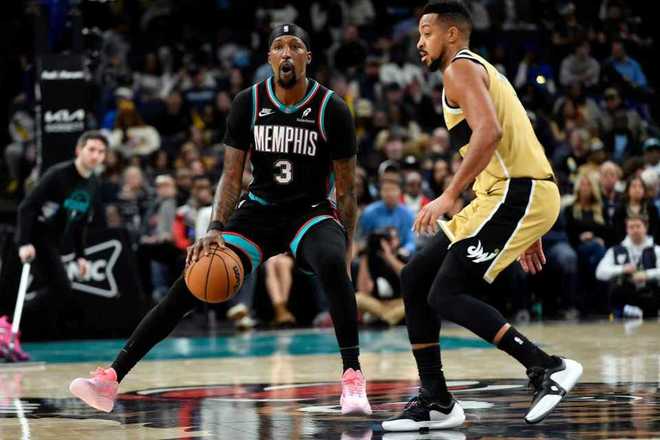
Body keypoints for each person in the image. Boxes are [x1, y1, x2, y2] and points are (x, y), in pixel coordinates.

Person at [69, 24, 371, 416]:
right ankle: (110, 378)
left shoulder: (332, 108)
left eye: (295, 46)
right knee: (192, 280)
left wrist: (347, 245)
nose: (286, 53)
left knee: (332, 263)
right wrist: (214, 228)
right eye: (278, 46)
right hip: (260, 208)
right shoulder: (249, 102)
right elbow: (230, 176)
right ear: (269, 58)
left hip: (310, 211)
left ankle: (352, 377)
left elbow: (346, 190)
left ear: (307, 58)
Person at [382, 1, 582, 432]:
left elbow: (491, 132)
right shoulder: (476, 70)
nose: (419, 42)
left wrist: (448, 195)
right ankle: (437, 400)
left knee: (446, 292)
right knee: (416, 276)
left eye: (427, 33)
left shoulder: (460, 68)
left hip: (517, 192)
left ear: (452, 34)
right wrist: (528, 226)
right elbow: (517, 137)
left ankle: (547, 366)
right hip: (506, 194)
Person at [9, 131, 107, 345]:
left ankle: (23, 333)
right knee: (60, 288)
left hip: (54, 241)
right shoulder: (58, 174)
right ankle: (8, 326)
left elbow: (80, 221)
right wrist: (24, 242)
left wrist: (81, 256)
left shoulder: (92, 183)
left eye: (101, 152)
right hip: (35, 236)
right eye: (91, 149)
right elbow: (27, 207)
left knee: (56, 292)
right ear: (79, 150)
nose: (95, 155)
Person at [596, 214, 660, 319]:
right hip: (625, 295)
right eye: (631, 227)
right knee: (615, 288)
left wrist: (647, 275)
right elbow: (599, 273)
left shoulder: (656, 250)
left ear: (645, 227)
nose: (635, 230)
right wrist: (622, 269)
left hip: (650, 294)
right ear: (627, 229)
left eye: (638, 226)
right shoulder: (615, 250)